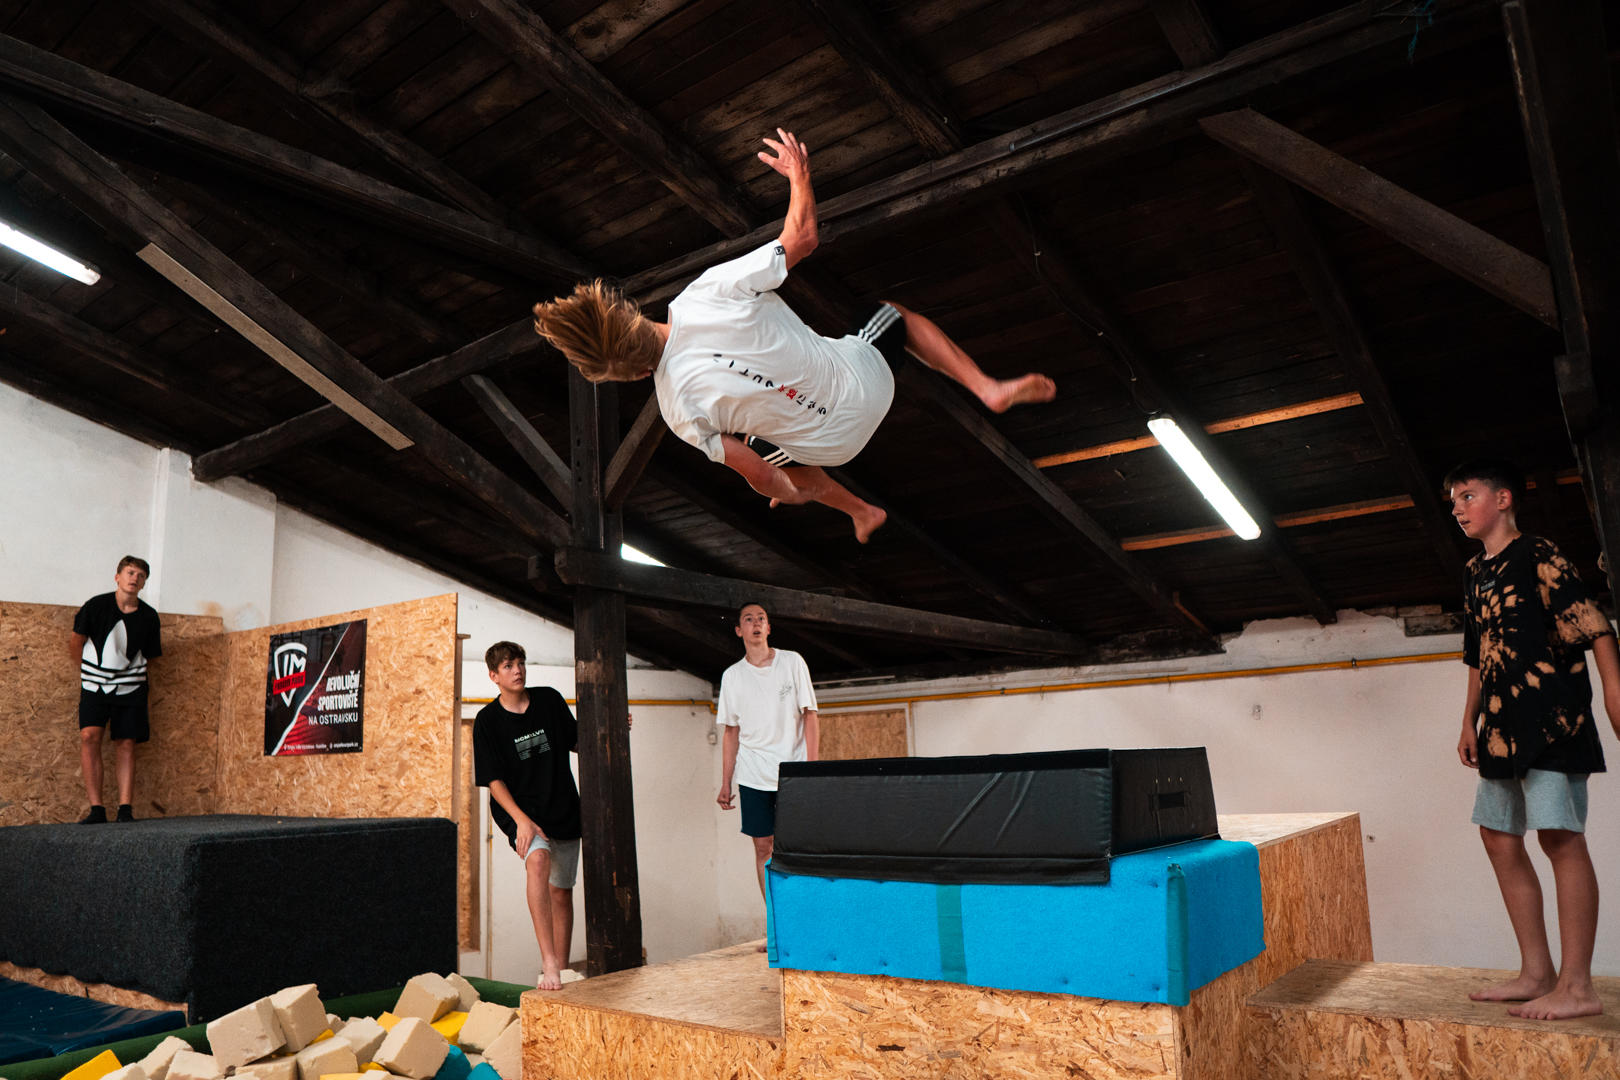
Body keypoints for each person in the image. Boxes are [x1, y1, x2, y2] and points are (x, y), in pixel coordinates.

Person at [533, 128, 1056, 544]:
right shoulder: (702, 296)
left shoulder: (677, 413)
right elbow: (802, 238)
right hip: (866, 384)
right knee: (891, 314)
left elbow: (757, 476)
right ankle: (986, 387)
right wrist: (797, 175)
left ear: (631, 374)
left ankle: (859, 509)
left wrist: (792, 490)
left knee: (768, 452)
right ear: (633, 316)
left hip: (838, 448)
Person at [1448, 458, 1620, 1020]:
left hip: (1553, 720)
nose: (1457, 507)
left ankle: (1578, 987)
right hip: (1500, 728)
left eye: (1467, 495)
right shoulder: (1475, 572)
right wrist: (1468, 720)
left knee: (1559, 838)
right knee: (1497, 837)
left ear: (1502, 499)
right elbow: (1476, 654)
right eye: (1453, 500)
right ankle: (1536, 972)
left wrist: (1615, 695)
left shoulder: (1539, 553)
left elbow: (1593, 624)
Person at [472, 641, 581, 990]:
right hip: (519, 809)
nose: (517, 670)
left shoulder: (549, 699)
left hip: (561, 803)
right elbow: (492, 780)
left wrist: (614, 724)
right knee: (537, 862)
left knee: (562, 891)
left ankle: (561, 969)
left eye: (520, 663)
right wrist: (520, 820)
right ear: (493, 675)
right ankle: (548, 963)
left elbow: (580, 741)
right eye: (507, 666)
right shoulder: (487, 721)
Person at [716, 602, 818, 941]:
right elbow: (730, 731)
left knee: (797, 847)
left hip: (792, 772)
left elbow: (811, 715)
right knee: (763, 848)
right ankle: (777, 925)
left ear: (769, 628)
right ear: (738, 630)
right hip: (752, 775)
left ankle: (804, 920)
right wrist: (725, 782)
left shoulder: (792, 662)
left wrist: (811, 769)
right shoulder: (732, 676)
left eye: (762, 618)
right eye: (749, 619)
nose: (756, 623)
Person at [71, 555, 162, 824]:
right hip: (93, 684)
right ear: (117, 577)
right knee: (89, 736)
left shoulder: (149, 617)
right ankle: (97, 808)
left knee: (126, 743)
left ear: (144, 583)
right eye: (130, 572)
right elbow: (76, 640)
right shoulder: (96, 606)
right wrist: (87, 672)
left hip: (131, 687)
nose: (135, 578)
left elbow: (153, 656)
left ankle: (125, 809)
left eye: (141, 575)